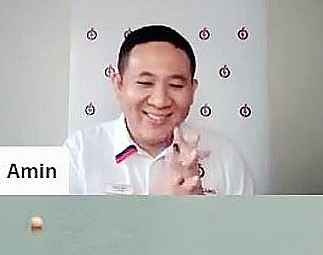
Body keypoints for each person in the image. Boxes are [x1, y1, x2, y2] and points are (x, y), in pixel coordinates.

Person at [64, 24, 254, 195]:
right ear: (118, 84)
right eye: (145, 83)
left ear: (192, 90)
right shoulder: (80, 153)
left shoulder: (225, 157)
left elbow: (246, 233)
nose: (160, 101)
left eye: (176, 85)